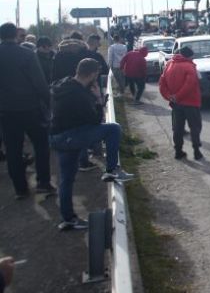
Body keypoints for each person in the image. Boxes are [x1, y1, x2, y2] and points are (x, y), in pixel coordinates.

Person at [50, 58, 134, 230]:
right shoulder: (79, 95)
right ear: (93, 74)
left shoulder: (64, 84)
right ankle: (111, 170)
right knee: (113, 129)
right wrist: (98, 99)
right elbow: (96, 120)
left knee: (66, 180)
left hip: (57, 137)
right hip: (70, 137)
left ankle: (68, 219)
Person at [0, 22, 55, 199]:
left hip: (6, 111)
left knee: (13, 150)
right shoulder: (27, 54)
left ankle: (20, 189)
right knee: (41, 145)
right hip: (30, 107)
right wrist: (48, 103)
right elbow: (39, 82)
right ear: (15, 35)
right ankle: (43, 183)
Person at [159, 46, 203, 160]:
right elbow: (189, 85)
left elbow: (162, 83)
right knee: (195, 127)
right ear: (189, 56)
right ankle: (196, 151)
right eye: (192, 57)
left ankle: (178, 151)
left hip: (176, 104)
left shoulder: (169, 64)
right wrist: (178, 96)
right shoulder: (190, 66)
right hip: (191, 102)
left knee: (178, 128)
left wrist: (169, 96)